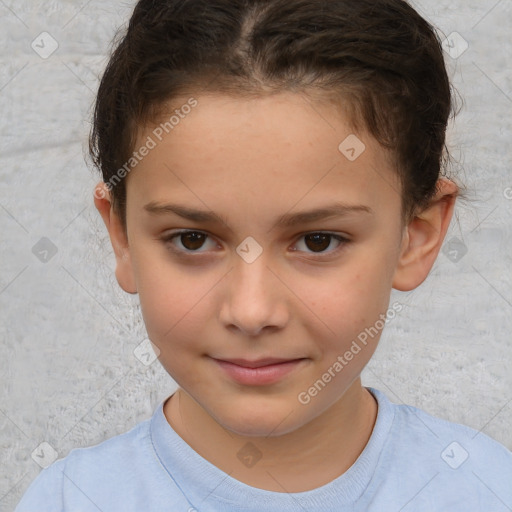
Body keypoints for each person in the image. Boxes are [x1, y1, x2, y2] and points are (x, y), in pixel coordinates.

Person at [15, 0, 512, 510]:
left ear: (417, 236)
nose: (252, 312)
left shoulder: (487, 490)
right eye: (192, 239)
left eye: (319, 241)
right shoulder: (69, 501)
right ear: (121, 235)